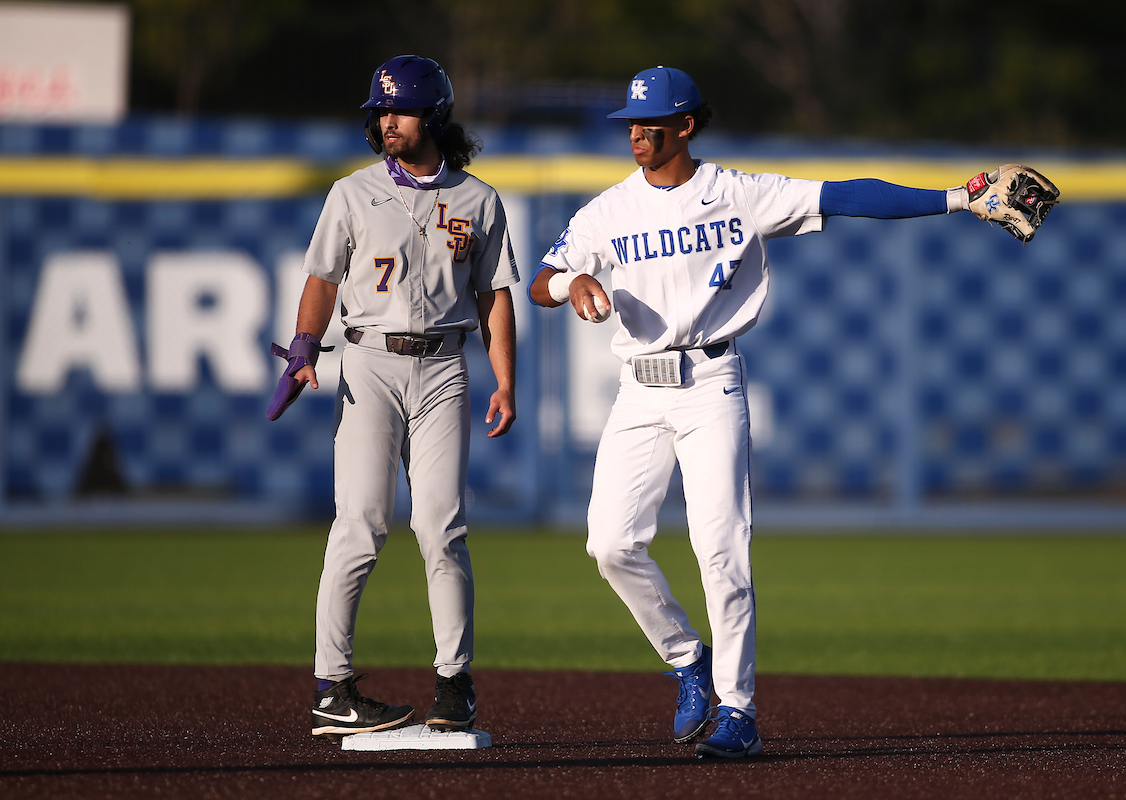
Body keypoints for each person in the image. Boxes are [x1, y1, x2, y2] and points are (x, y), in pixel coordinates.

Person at [528, 65, 1056, 758]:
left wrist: (958, 198)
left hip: (711, 383)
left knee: (722, 548)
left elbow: (848, 196)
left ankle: (738, 710)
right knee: (609, 545)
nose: (636, 134)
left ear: (686, 125)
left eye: (650, 123)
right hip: (639, 389)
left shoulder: (739, 194)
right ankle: (687, 658)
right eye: (630, 122)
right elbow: (539, 281)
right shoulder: (608, 210)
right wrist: (573, 280)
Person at [268, 55, 518, 739]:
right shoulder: (351, 194)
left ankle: (454, 683)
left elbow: (495, 297)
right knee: (361, 524)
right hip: (369, 364)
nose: (386, 121)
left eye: (398, 111)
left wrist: (506, 380)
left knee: (442, 525)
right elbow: (322, 279)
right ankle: (332, 686)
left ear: (434, 115)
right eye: (379, 112)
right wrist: (301, 349)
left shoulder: (478, 200)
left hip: (444, 368)